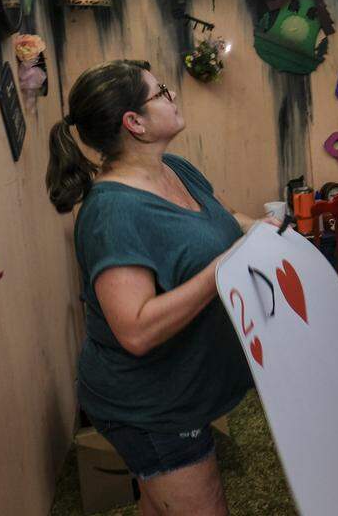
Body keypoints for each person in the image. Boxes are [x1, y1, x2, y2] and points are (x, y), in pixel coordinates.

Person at [47, 60, 270, 515]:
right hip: (150, 407)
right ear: (135, 123)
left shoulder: (175, 169)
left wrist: (265, 230)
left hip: (180, 390)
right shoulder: (113, 213)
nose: (172, 96)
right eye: (161, 92)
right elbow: (136, 330)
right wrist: (221, 269)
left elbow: (221, 224)